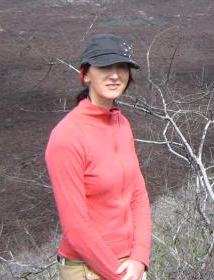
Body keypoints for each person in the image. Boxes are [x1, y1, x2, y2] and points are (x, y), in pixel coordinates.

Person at [46, 34, 151, 280]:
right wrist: (120, 275)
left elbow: (138, 195)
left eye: (121, 67)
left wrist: (139, 258)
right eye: (104, 66)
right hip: (87, 269)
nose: (114, 75)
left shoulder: (121, 124)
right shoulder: (67, 137)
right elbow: (76, 226)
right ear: (85, 74)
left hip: (128, 265)